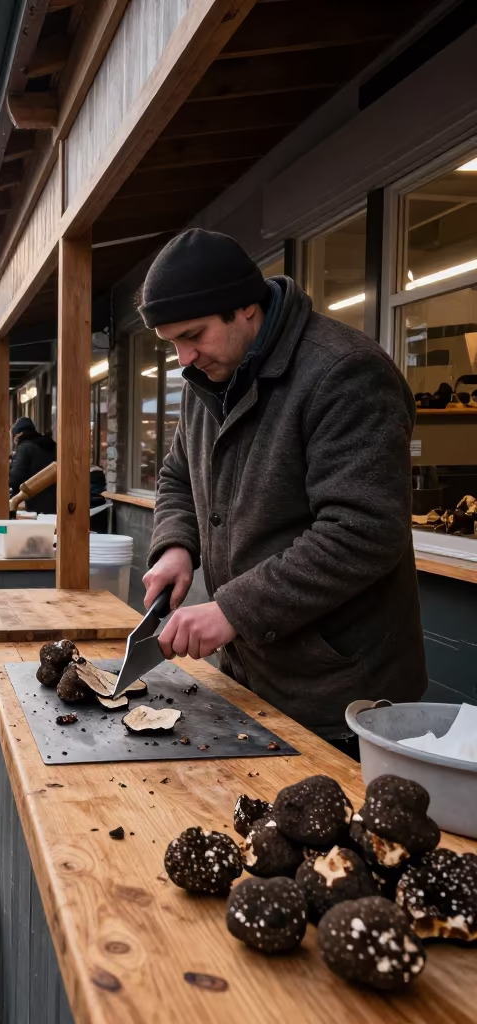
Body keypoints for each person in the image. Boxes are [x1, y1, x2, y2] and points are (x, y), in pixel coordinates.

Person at [138, 227, 424, 753]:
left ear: (246, 308)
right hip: (251, 676)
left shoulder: (346, 373)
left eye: (193, 335)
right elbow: (178, 475)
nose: (183, 357)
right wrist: (177, 544)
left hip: (340, 696)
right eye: (172, 342)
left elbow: (364, 531)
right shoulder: (206, 381)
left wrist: (231, 611)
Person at [8, 416, 57, 514]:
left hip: (33, 504)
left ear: (19, 434)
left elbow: (14, 480)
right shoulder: (50, 445)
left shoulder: (24, 448)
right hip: (54, 503)